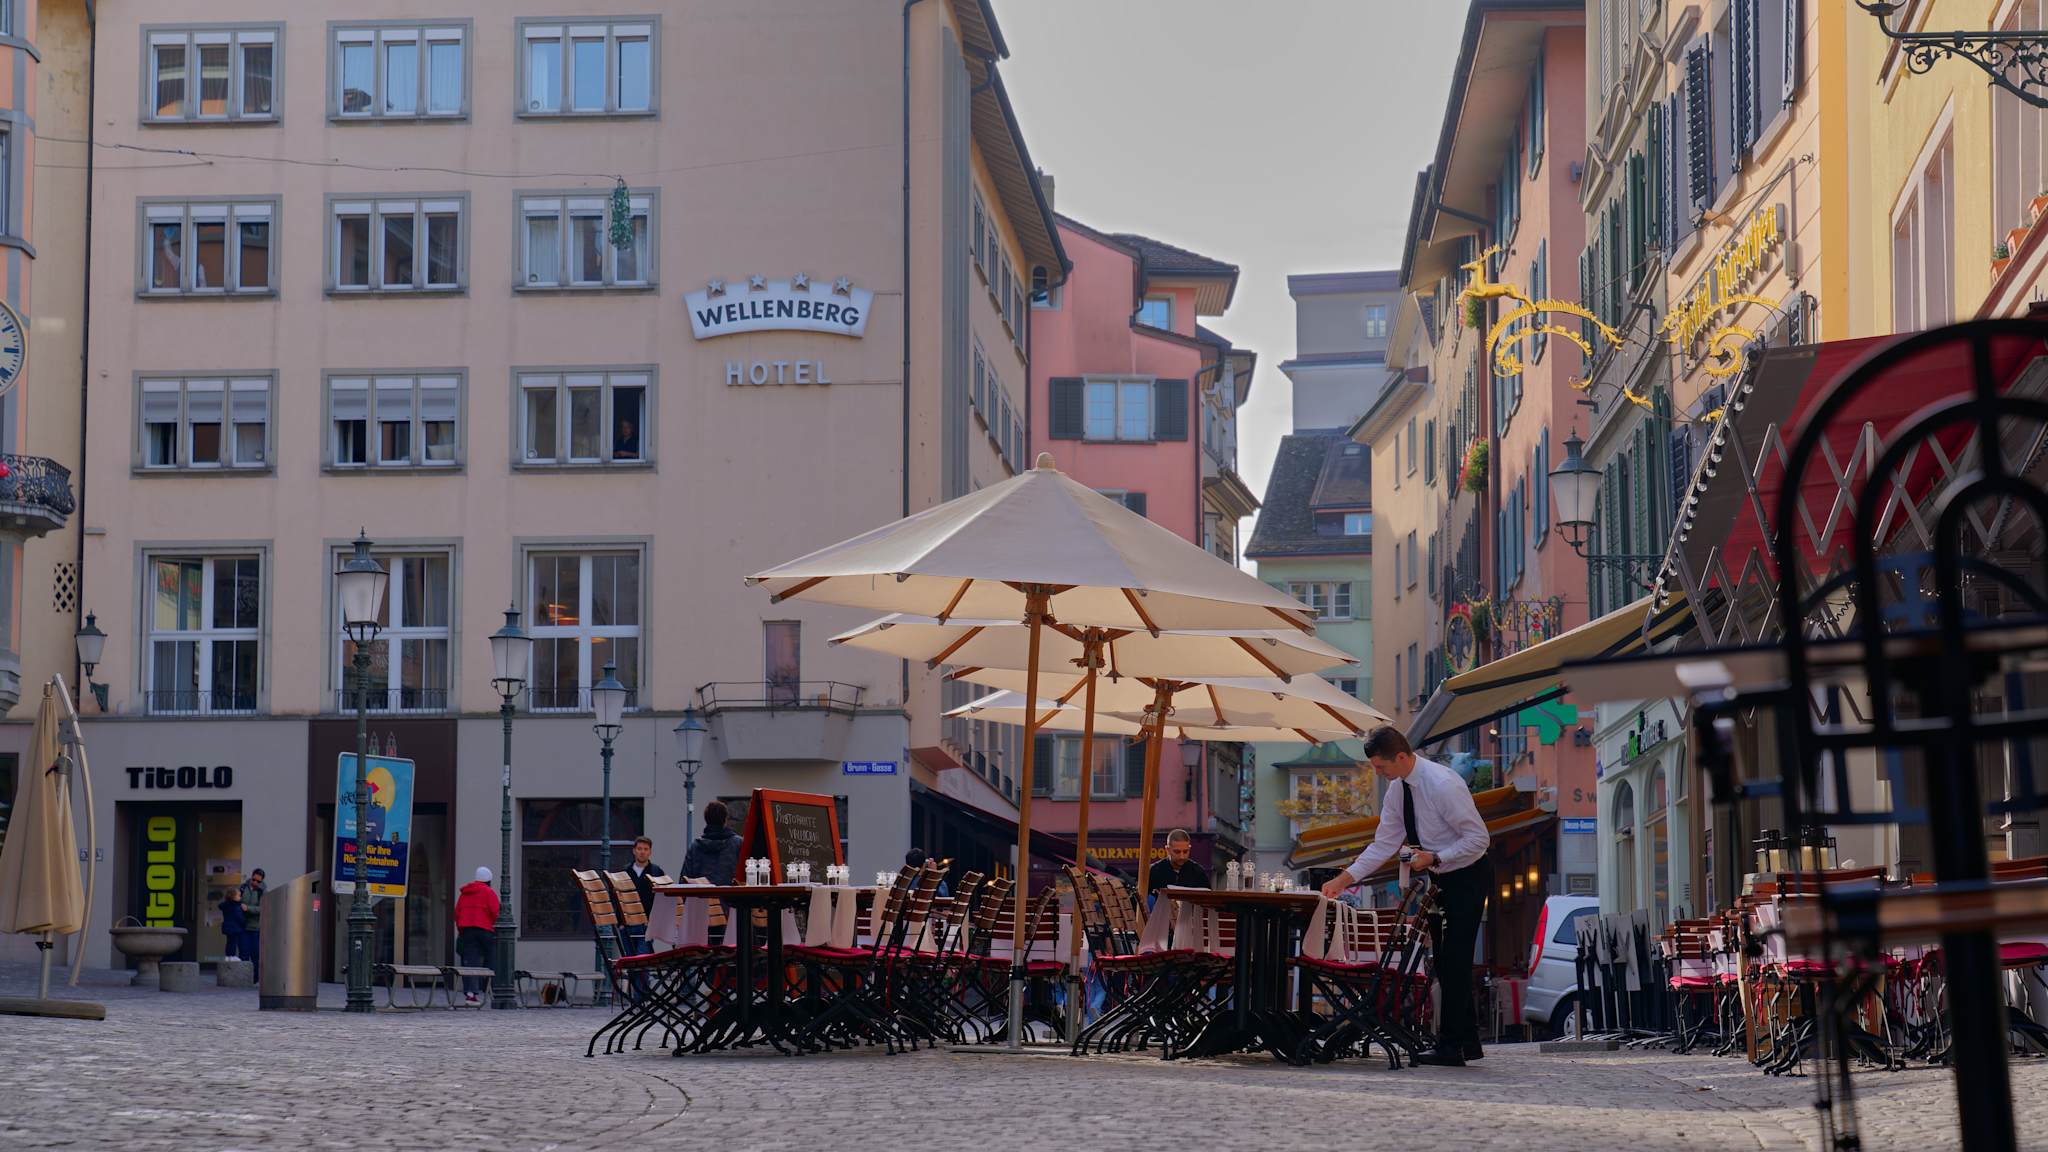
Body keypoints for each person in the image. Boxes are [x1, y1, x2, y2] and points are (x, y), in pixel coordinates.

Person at [1322, 726, 1492, 1066]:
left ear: (1401, 757)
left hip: (1469, 874)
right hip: (1440, 876)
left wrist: (1436, 857)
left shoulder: (1443, 785)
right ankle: (1466, 1042)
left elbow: (1478, 839)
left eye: (1381, 767)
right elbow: (1384, 842)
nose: (1378, 774)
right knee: (1444, 961)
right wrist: (1345, 878)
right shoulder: (1398, 790)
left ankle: (1452, 1046)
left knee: (1454, 961)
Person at [454, 866, 501, 1006]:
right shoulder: (489, 892)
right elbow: (496, 912)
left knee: (470, 961)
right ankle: (493, 989)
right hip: (486, 929)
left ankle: (471, 994)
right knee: (492, 957)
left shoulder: (465, 893)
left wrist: (461, 930)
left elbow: (457, 913)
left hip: (467, 930)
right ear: (489, 880)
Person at [623, 836, 667, 956]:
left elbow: (662, 898)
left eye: (646, 849)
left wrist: (654, 920)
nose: (642, 852)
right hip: (628, 923)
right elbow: (618, 897)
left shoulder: (656, 872)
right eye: (639, 849)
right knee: (630, 961)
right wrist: (621, 922)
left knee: (642, 959)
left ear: (650, 852)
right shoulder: (625, 872)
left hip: (647, 923)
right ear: (634, 851)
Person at [681, 800, 741, 886]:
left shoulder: (695, 847)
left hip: (702, 898)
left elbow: (684, 880)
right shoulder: (737, 844)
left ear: (706, 819)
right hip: (731, 898)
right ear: (725, 820)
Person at [1146, 830, 1209, 906]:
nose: (1182, 856)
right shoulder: (1154, 871)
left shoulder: (1198, 872)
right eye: (1177, 852)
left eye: (1185, 852)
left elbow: (1208, 901)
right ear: (1167, 850)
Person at [238, 869, 265, 978]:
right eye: (254, 880)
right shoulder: (243, 888)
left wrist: (247, 908)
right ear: (251, 877)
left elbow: (262, 908)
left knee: (255, 954)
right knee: (243, 953)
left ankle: (255, 978)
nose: (255, 883)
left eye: (258, 881)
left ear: (261, 881)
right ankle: (243, 977)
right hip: (242, 926)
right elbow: (237, 901)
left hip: (254, 927)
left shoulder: (262, 892)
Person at [218, 887, 247, 962]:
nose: (240, 897)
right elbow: (239, 917)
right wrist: (244, 922)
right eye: (239, 895)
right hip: (235, 927)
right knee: (233, 942)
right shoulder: (236, 906)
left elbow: (221, 906)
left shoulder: (226, 905)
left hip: (228, 927)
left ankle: (228, 956)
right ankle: (232, 956)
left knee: (229, 942)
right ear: (233, 897)